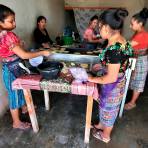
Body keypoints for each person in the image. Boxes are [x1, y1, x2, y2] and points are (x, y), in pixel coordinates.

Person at [0, 4, 51, 130]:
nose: (14, 23)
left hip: (9, 67)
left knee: (20, 88)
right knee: (14, 95)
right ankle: (16, 122)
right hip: (12, 69)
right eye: (11, 21)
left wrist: (18, 44)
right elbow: (23, 54)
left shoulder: (4, 34)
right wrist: (42, 52)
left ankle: (24, 107)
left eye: (14, 20)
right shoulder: (7, 36)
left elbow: (9, 50)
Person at [88, 8, 133, 143]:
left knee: (109, 109)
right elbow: (116, 64)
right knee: (105, 107)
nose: (98, 30)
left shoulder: (115, 49)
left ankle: (105, 135)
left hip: (113, 84)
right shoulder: (118, 40)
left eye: (100, 27)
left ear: (107, 27)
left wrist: (92, 78)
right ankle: (102, 125)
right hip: (115, 81)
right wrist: (102, 66)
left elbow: (111, 77)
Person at [124, 8, 148, 110]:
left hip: (140, 61)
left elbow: (127, 46)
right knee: (131, 78)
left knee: (138, 81)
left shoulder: (142, 35)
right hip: (134, 59)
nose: (130, 26)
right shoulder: (138, 33)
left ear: (140, 23)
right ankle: (128, 98)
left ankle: (132, 102)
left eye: (132, 24)